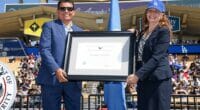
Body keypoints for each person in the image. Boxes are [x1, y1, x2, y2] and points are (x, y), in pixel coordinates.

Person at [126, 0, 173, 110]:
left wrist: (137, 76)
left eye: (156, 11)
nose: (152, 14)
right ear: (146, 13)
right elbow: (139, 55)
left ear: (162, 14)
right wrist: (134, 34)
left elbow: (156, 57)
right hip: (144, 81)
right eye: (150, 11)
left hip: (159, 81)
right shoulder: (143, 32)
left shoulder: (164, 31)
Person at [36, 0, 82, 110]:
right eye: (62, 8)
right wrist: (56, 69)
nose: (66, 11)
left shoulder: (79, 31)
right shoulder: (49, 26)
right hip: (52, 79)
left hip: (73, 81)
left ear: (74, 12)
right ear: (57, 11)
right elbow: (44, 50)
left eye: (69, 9)